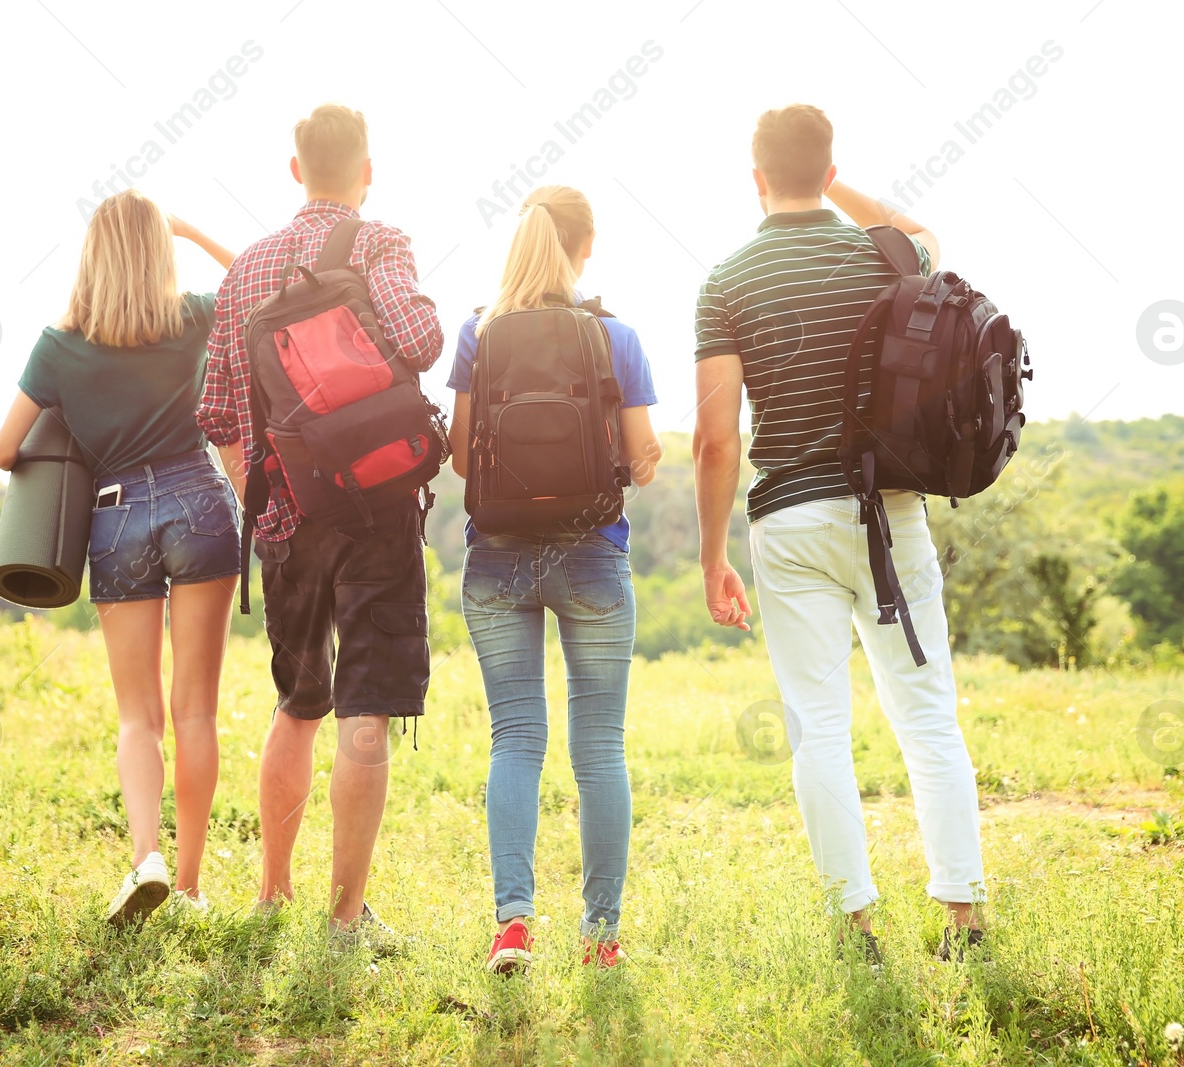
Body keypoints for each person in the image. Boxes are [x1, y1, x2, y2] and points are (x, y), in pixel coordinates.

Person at [690, 105, 986, 963]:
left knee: (818, 726)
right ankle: (962, 915)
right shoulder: (883, 253)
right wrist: (833, 184)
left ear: (755, 179)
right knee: (927, 715)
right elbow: (927, 230)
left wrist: (713, 556)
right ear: (828, 170)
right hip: (889, 513)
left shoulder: (726, 281)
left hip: (786, 519)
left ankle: (855, 925)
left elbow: (715, 440)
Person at [195, 104, 444, 943]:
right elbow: (422, 340)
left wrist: (264, 495)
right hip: (378, 510)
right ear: (366, 173)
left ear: (295, 170)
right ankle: (345, 916)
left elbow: (220, 410)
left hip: (286, 521)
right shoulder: (379, 243)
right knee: (365, 708)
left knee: (298, 704)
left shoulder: (245, 272)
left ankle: (272, 893)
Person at [0, 189, 240, 926]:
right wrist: (190, 229)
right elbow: (259, 282)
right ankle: (191, 886)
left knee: (139, 716)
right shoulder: (193, 316)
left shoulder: (59, 344)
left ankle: (145, 860)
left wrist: (75, 415)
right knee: (196, 709)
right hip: (200, 501)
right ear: (157, 251)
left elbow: (4, 448)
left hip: (117, 513)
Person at [449, 186, 664, 973]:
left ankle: (512, 924)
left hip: (498, 556)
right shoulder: (617, 336)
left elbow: (460, 455)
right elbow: (640, 456)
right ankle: (600, 936)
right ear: (587, 244)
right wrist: (635, 459)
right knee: (599, 747)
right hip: (593, 555)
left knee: (516, 738)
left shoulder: (479, 333)